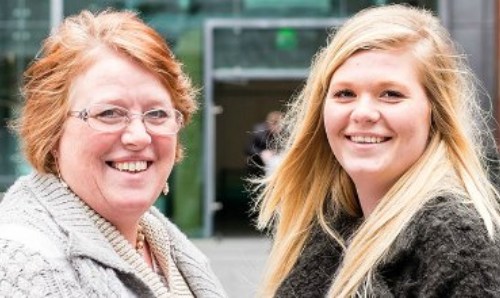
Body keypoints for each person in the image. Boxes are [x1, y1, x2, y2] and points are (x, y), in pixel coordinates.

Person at [254, 4, 500, 297]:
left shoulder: (460, 243)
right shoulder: (321, 227)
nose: (363, 113)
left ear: (435, 113)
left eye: (391, 94)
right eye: (345, 93)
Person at [0, 10, 226, 297]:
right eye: (109, 113)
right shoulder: (21, 265)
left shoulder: (158, 238)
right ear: (52, 131)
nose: (138, 136)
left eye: (156, 113)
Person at [245, 111, 283, 177]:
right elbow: (248, 148)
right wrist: (261, 153)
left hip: (274, 166)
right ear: (269, 124)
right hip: (257, 166)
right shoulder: (258, 131)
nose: (279, 128)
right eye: (277, 125)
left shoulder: (283, 132)